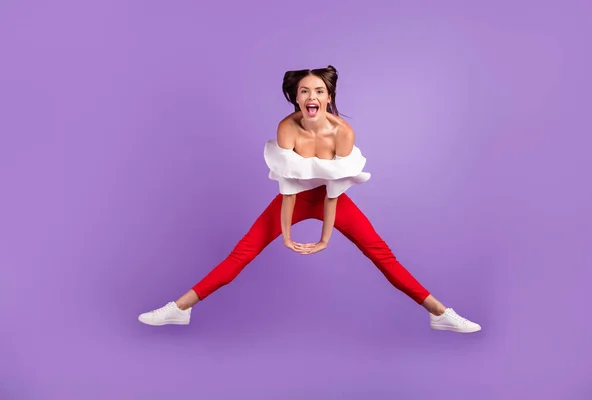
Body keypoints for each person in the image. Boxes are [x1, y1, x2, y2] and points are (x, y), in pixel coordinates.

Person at [138, 65, 481, 334]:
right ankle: (179, 308)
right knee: (241, 253)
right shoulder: (286, 128)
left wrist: (324, 238)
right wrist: (286, 234)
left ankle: (440, 313)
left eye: (319, 90)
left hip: (332, 198)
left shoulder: (342, 132)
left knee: (382, 254)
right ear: (296, 98)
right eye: (304, 90)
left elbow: (334, 189)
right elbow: (288, 184)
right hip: (295, 197)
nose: (311, 95)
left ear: (329, 96)